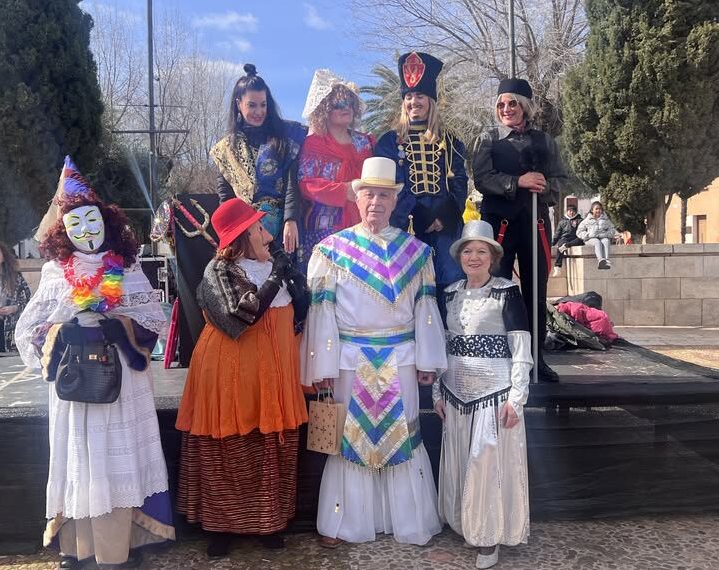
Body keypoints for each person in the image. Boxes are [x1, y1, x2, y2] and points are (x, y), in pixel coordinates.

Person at [15, 157, 174, 570]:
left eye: (93, 220)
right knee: (81, 463)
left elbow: (153, 321)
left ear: (106, 220)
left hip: (121, 385)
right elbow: (29, 329)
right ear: (63, 230)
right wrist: (62, 332)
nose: (87, 230)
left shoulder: (129, 268)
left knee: (115, 466)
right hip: (75, 389)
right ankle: (80, 548)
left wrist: (117, 326)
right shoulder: (54, 273)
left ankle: (117, 551)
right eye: (76, 224)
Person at [301, 157, 447, 547]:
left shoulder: (416, 252)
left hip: (401, 358)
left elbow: (425, 311)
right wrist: (323, 365)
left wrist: (429, 360)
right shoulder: (331, 250)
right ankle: (344, 522)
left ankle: (407, 520)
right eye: (369, 194)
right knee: (351, 439)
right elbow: (323, 314)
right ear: (357, 197)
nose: (376, 203)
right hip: (350, 360)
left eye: (384, 195)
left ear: (394, 201)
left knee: (404, 436)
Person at [175, 198, 308, 557]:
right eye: (259, 229)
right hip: (228, 373)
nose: (267, 235)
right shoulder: (218, 271)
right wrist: (278, 275)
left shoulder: (274, 266)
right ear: (242, 237)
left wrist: (292, 276)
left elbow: (303, 309)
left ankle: (268, 523)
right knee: (227, 445)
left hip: (275, 372)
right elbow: (243, 313)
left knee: (269, 445)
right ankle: (221, 527)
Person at [434, 220, 532, 570]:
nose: (473, 257)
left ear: (493, 257)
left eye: (481, 251)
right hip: (456, 397)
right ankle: (465, 523)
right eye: (467, 250)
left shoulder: (507, 292)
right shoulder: (448, 293)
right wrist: (437, 391)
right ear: (459, 256)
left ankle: (489, 537)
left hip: (494, 396)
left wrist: (516, 397)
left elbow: (520, 347)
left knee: (486, 466)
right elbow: (443, 346)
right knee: (464, 463)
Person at [471, 78, 567, 382]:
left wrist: (547, 186)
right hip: (498, 224)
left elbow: (562, 181)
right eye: (501, 104)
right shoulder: (488, 139)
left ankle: (535, 358)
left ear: (524, 106)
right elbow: (482, 179)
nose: (506, 109)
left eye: (512, 103)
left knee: (535, 293)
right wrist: (518, 182)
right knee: (496, 289)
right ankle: (498, 356)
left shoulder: (545, 141)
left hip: (535, 223)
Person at [375, 52, 468, 321]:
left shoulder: (450, 140)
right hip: (408, 224)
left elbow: (459, 180)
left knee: (448, 286)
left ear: (431, 100)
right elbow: (388, 183)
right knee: (410, 288)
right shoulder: (389, 142)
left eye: (420, 96)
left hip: (446, 226)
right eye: (409, 97)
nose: (414, 102)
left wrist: (444, 215)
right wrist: (415, 212)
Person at [211, 63, 307, 260]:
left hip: (283, 230)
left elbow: (292, 183)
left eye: (263, 105)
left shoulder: (284, 137)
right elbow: (226, 198)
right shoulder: (226, 150)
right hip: (247, 233)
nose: (259, 111)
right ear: (239, 104)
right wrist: (235, 235)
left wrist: (291, 219)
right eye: (252, 105)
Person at [297, 69, 374, 272]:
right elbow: (306, 184)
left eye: (350, 102)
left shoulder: (365, 142)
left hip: (364, 221)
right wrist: (343, 191)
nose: (346, 107)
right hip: (326, 225)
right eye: (339, 104)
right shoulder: (314, 143)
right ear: (324, 108)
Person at [576, 201, 617, 270]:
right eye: (596, 209)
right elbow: (579, 232)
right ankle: (600, 260)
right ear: (592, 210)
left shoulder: (606, 220)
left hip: (602, 237)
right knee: (596, 242)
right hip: (590, 239)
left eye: (600, 209)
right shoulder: (587, 220)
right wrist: (588, 235)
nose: (598, 210)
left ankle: (606, 260)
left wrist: (606, 234)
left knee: (606, 241)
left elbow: (612, 229)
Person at [551, 204, 583, 276]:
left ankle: (567, 245)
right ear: (567, 211)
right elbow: (557, 234)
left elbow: (583, 232)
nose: (571, 213)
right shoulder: (562, 222)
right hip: (565, 238)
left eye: (573, 211)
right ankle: (557, 267)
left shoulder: (580, 220)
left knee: (581, 239)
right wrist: (552, 244)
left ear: (576, 212)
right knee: (560, 245)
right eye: (570, 211)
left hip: (576, 238)